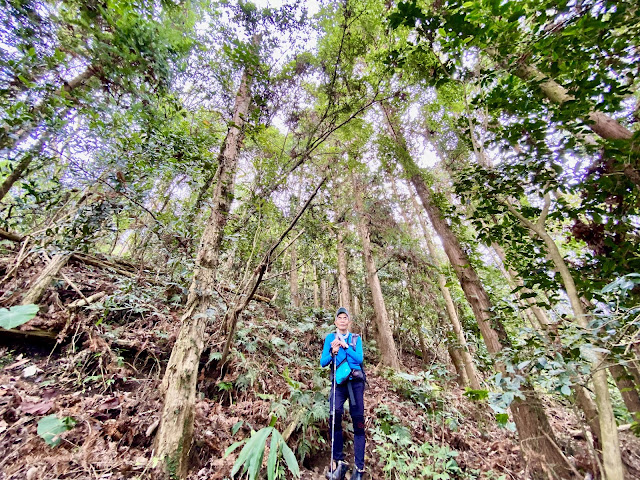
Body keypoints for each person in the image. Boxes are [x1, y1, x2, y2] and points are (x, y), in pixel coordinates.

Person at [320, 307, 366, 480]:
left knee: (358, 421)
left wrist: (345, 347)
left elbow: (359, 359)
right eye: (339, 318)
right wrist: (333, 351)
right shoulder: (330, 339)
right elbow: (323, 362)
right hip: (338, 383)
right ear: (335, 322)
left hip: (355, 383)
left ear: (349, 321)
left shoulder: (356, 339)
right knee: (335, 415)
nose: (342, 320)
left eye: (345, 317)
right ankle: (338, 461)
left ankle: (359, 468)